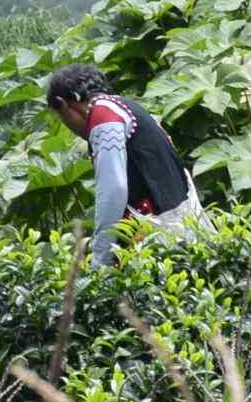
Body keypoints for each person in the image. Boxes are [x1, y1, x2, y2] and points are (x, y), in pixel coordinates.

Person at [46, 64, 213, 267]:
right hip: (186, 226)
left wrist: (100, 258)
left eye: (62, 118)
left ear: (62, 104)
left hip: (162, 240)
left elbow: (113, 191)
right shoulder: (127, 107)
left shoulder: (103, 116)